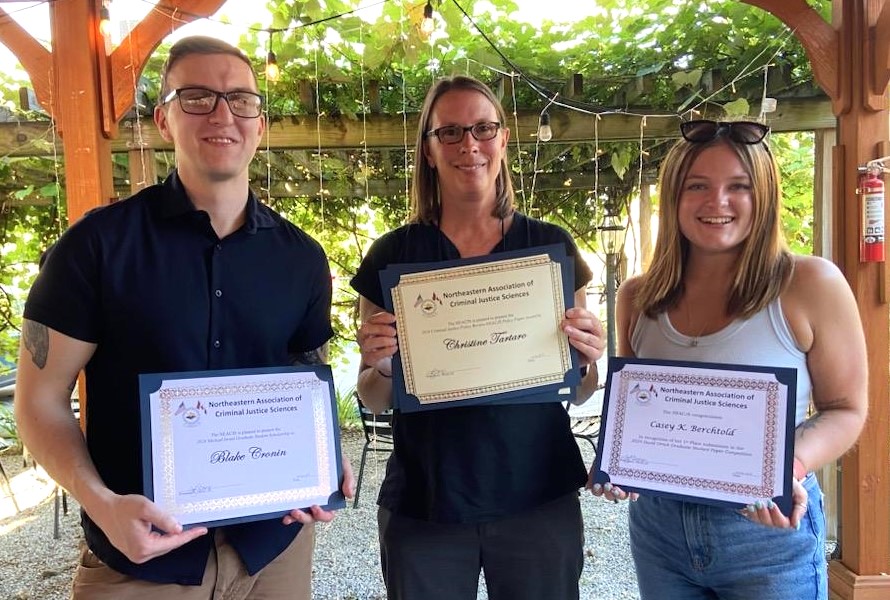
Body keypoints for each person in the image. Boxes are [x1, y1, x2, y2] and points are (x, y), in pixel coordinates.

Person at [14, 36, 353, 599]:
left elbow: (304, 375)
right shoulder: (96, 248)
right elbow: (39, 400)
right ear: (164, 120)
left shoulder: (301, 257)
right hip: (138, 561)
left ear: (260, 125)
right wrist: (103, 506)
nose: (223, 114)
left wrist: (323, 457)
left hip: (273, 554)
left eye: (241, 99)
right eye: (197, 97)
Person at [351, 75, 606, 600]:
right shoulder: (391, 256)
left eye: (483, 128)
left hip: (538, 496)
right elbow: (374, 400)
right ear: (428, 149)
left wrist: (589, 358)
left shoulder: (549, 246)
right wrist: (378, 365)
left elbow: (578, 389)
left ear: (503, 138)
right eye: (450, 132)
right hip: (428, 502)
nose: (469, 145)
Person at [604, 119, 868, 599]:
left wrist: (790, 465)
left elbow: (847, 409)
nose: (717, 202)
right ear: (674, 197)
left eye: (738, 187)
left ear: (763, 195)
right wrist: (619, 468)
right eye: (697, 186)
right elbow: (634, 416)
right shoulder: (638, 297)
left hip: (766, 531)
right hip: (659, 531)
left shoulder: (810, 284)